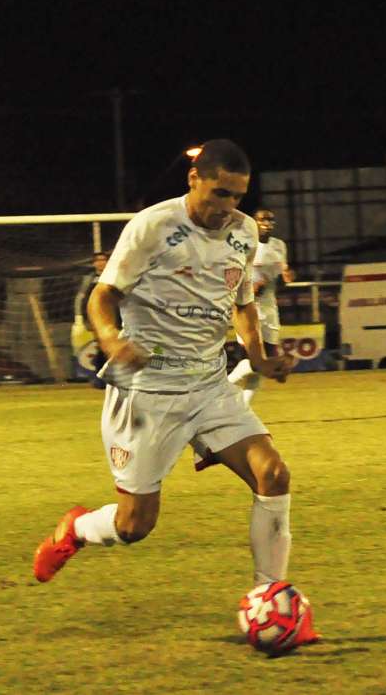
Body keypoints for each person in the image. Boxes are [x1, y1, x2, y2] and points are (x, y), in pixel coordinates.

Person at [33, 139, 318, 644]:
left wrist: (258, 355)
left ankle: (268, 596)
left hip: (208, 383)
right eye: (218, 194)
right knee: (135, 525)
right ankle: (76, 529)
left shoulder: (245, 232)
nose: (226, 207)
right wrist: (111, 339)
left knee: (273, 474)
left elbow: (243, 303)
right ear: (194, 180)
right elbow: (104, 295)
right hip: (146, 391)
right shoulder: (153, 226)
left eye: (236, 197)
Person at [227, 208, 295, 406]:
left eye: (270, 220)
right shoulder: (244, 245)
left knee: (268, 361)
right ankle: (225, 385)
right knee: (258, 361)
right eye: (262, 220)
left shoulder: (279, 246)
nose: (267, 223)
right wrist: (249, 288)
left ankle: (243, 408)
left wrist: (288, 276)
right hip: (247, 308)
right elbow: (231, 276)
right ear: (254, 223)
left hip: (270, 310)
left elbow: (282, 275)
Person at [70, 251, 111, 387]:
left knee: (112, 348)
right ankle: (100, 378)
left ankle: (110, 378)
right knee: (102, 347)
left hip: (114, 317)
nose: (100, 263)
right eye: (97, 260)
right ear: (94, 263)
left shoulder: (114, 276)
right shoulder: (89, 279)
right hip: (97, 319)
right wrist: (81, 317)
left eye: (103, 260)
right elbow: (83, 299)